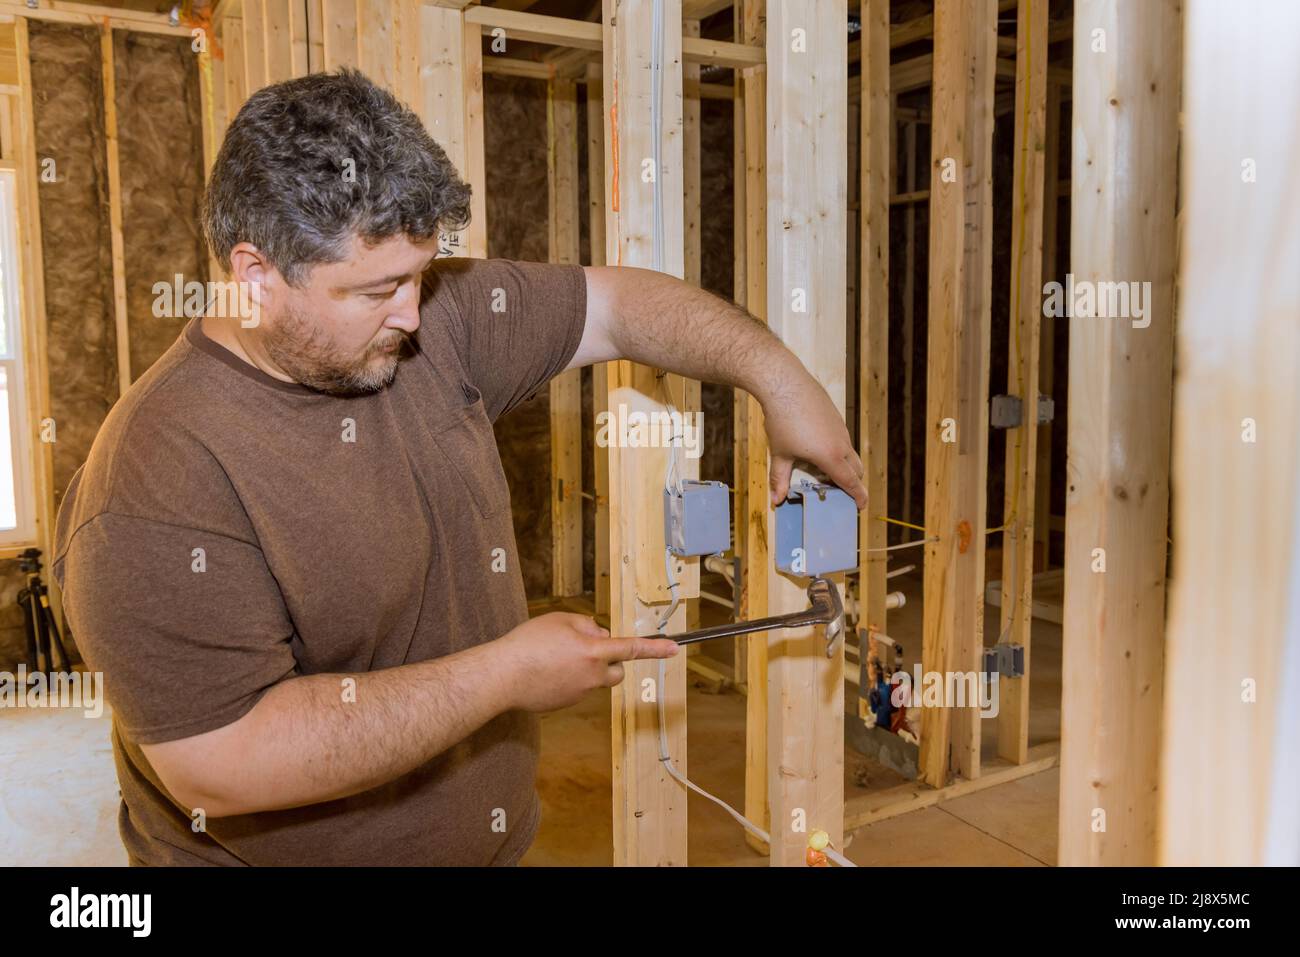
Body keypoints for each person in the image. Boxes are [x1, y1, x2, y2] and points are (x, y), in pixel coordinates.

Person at [52, 69, 867, 866]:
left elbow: (619, 305)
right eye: (378, 290)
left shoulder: (434, 315)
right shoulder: (154, 482)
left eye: (420, 273)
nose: (412, 314)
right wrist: (507, 673)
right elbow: (221, 763)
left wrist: (778, 375)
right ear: (257, 277)